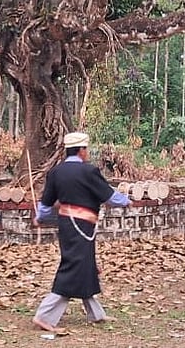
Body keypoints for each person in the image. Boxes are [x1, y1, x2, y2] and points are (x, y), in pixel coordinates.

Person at [32, 132, 131, 334]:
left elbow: (46, 202)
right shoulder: (89, 171)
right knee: (74, 265)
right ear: (81, 150)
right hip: (82, 226)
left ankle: (96, 314)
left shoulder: (56, 172)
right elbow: (109, 195)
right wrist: (127, 201)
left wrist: (40, 217)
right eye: (86, 149)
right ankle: (44, 315)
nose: (87, 153)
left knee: (85, 264)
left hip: (67, 225)